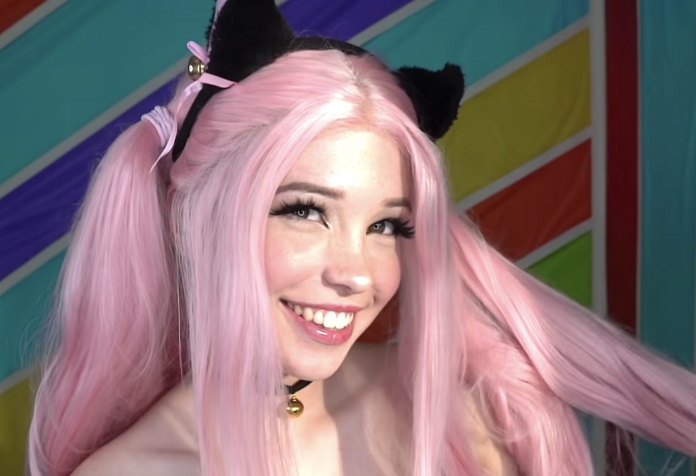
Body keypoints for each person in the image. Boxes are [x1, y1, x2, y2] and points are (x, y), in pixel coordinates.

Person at [28, 0, 696, 475]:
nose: (356, 273)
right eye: (305, 211)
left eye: (386, 226)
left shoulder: (461, 411)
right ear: (189, 216)